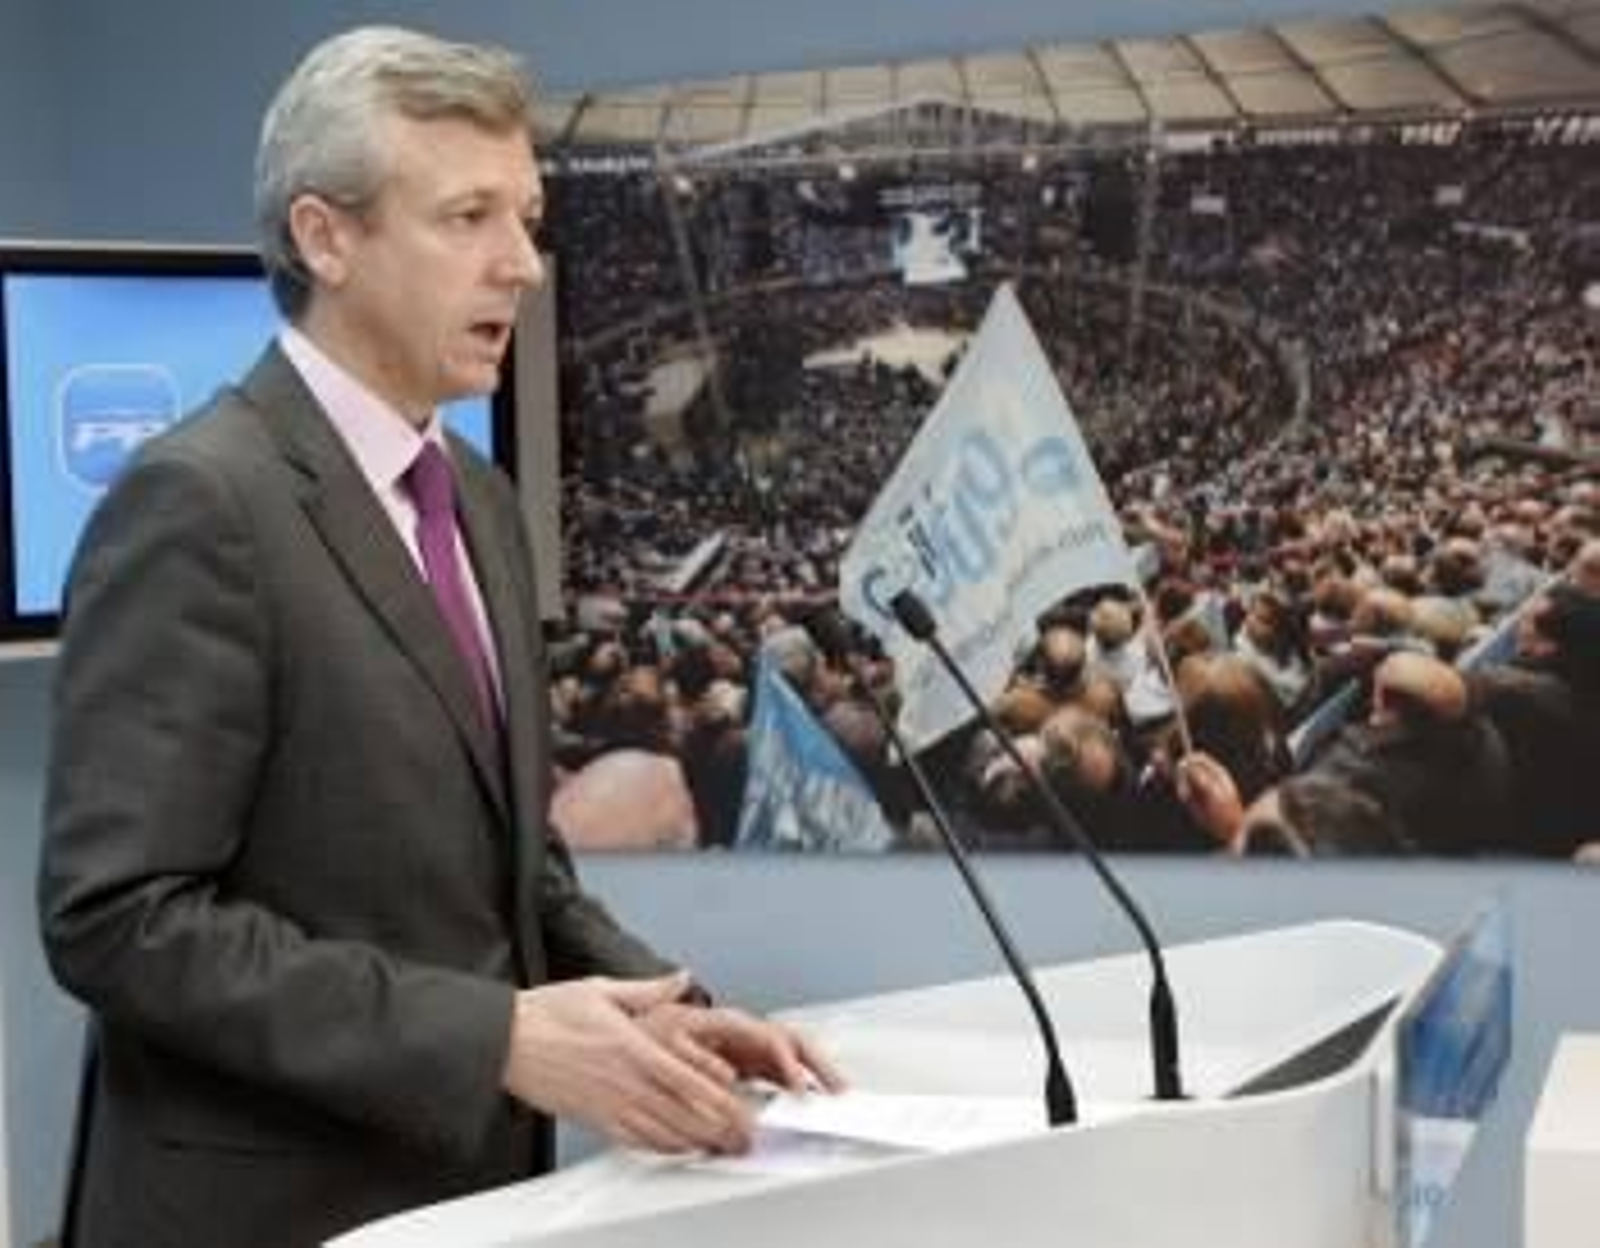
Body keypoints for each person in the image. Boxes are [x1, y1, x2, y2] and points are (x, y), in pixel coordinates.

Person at [37, 27, 837, 1248]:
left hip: (477, 1196)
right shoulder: (199, 502)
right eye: (469, 217)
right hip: (269, 1212)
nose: (521, 264)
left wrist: (660, 1009)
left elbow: (517, 875)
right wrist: (498, 1037)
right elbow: (121, 920)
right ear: (325, 236)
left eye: (524, 217)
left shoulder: (477, 495)